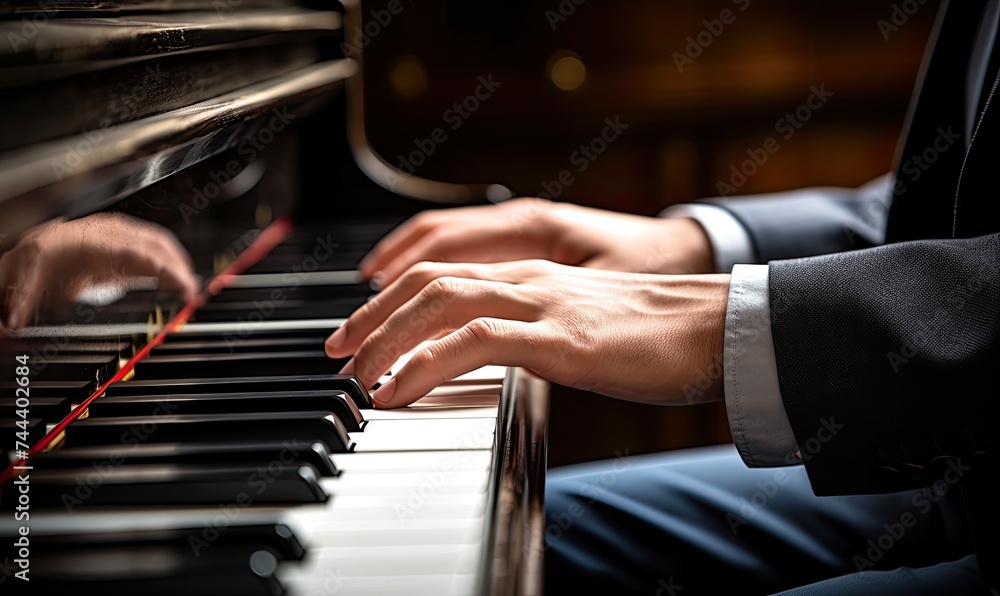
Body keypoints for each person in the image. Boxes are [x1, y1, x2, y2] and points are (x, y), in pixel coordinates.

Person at [324, 0, 999, 593]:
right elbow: (962, 204)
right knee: (518, 537)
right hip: (958, 480)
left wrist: (724, 321)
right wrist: (698, 247)